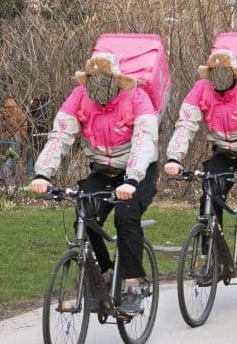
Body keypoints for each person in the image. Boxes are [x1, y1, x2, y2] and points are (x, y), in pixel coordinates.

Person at [29, 53, 158, 314]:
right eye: (92, 79)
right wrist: (43, 173)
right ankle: (104, 273)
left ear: (116, 79)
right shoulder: (79, 97)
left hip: (138, 171)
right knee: (83, 217)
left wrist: (132, 178)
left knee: (126, 215)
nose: (97, 85)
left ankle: (134, 285)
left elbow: (145, 140)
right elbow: (61, 134)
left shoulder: (137, 98)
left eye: (104, 79)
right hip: (102, 170)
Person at [164, 49, 237, 268]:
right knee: (210, 193)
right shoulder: (201, 89)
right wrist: (174, 158)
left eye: (224, 72)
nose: (219, 77)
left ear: (234, 73)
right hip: (223, 151)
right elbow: (186, 124)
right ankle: (211, 256)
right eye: (214, 72)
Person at [0, 96, 28, 182]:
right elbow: (24, 124)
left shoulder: (0, 112)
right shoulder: (18, 112)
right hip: (16, 137)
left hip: (3, 138)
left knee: (9, 157)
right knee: (12, 157)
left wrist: (0, 133)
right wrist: (22, 135)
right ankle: (3, 175)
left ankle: (14, 177)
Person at [25, 93, 52, 179]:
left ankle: (29, 174)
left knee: (32, 155)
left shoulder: (35, 108)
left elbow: (29, 121)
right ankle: (42, 175)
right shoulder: (49, 109)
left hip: (34, 135)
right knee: (44, 156)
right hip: (45, 135)